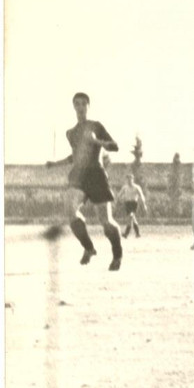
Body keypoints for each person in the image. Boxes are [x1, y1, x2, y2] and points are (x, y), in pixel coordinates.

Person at [45, 92, 123, 270]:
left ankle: (117, 254)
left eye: (83, 104)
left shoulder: (96, 126)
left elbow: (115, 146)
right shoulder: (70, 133)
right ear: (73, 107)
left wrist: (96, 142)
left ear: (88, 106)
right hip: (79, 176)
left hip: (96, 175)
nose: (80, 107)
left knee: (106, 222)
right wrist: (55, 164)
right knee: (70, 211)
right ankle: (89, 248)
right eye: (77, 104)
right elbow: (76, 155)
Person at [118, 173, 148, 238]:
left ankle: (126, 233)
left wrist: (144, 205)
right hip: (127, 204)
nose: (129, 181)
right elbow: (119, 195)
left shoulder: (137, 187)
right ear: (126, 180)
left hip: (134, 204)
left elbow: (142, 196)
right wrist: (121, 199)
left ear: (133, 179)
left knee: (131, 216)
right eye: (128, 179)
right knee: (132, 218)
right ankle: (137, 234)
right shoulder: (125, 187)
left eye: (130, 179)